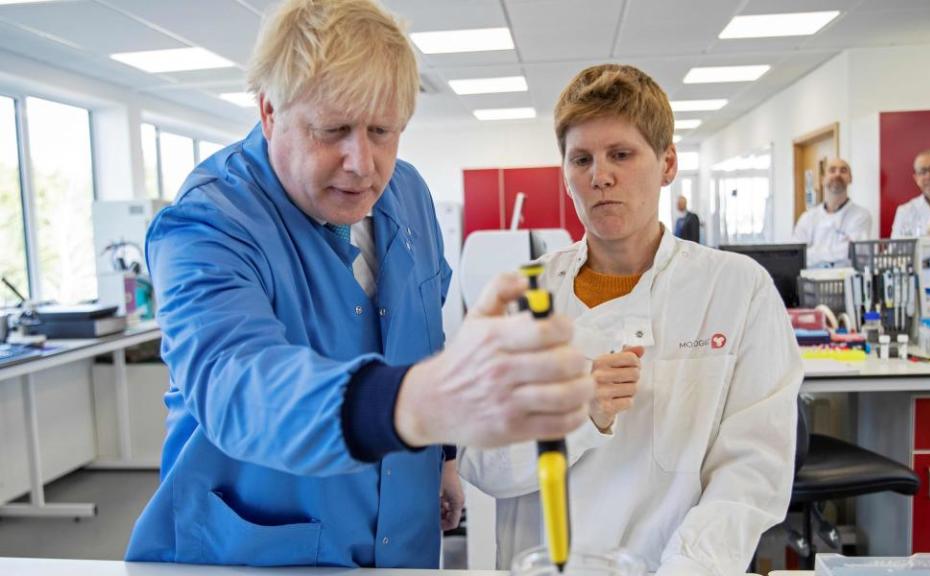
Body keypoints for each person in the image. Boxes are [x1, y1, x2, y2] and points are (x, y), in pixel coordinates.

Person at [125, 0, 593, 567]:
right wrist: (420, 404)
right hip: (256, 552)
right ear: (270, 112)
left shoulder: (409, 196)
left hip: (403, 536)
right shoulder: (208, 225)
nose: (362, 164)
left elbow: (423, 340)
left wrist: (442, 456)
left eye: (382, 131)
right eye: (334, 130)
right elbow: (236, 382)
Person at [459, 64, 803, 575]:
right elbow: (482, 461)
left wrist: (689, 566)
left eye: (621, 154)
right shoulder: (522, 296)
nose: (600, 176)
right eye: (582, 159)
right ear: (566, 174)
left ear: (667, 164)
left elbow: (752, 470)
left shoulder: (736, 290)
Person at [792, 158, 872, 267]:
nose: (837, 174)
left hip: (846, 281)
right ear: (822, 179)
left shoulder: (861, 216)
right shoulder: (807, 218)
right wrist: (841, 248)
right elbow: (796, 256)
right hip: (810, 281)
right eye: (832, 170)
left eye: (843, 171)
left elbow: (854, 251)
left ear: (850, 179)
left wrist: (812, 252)